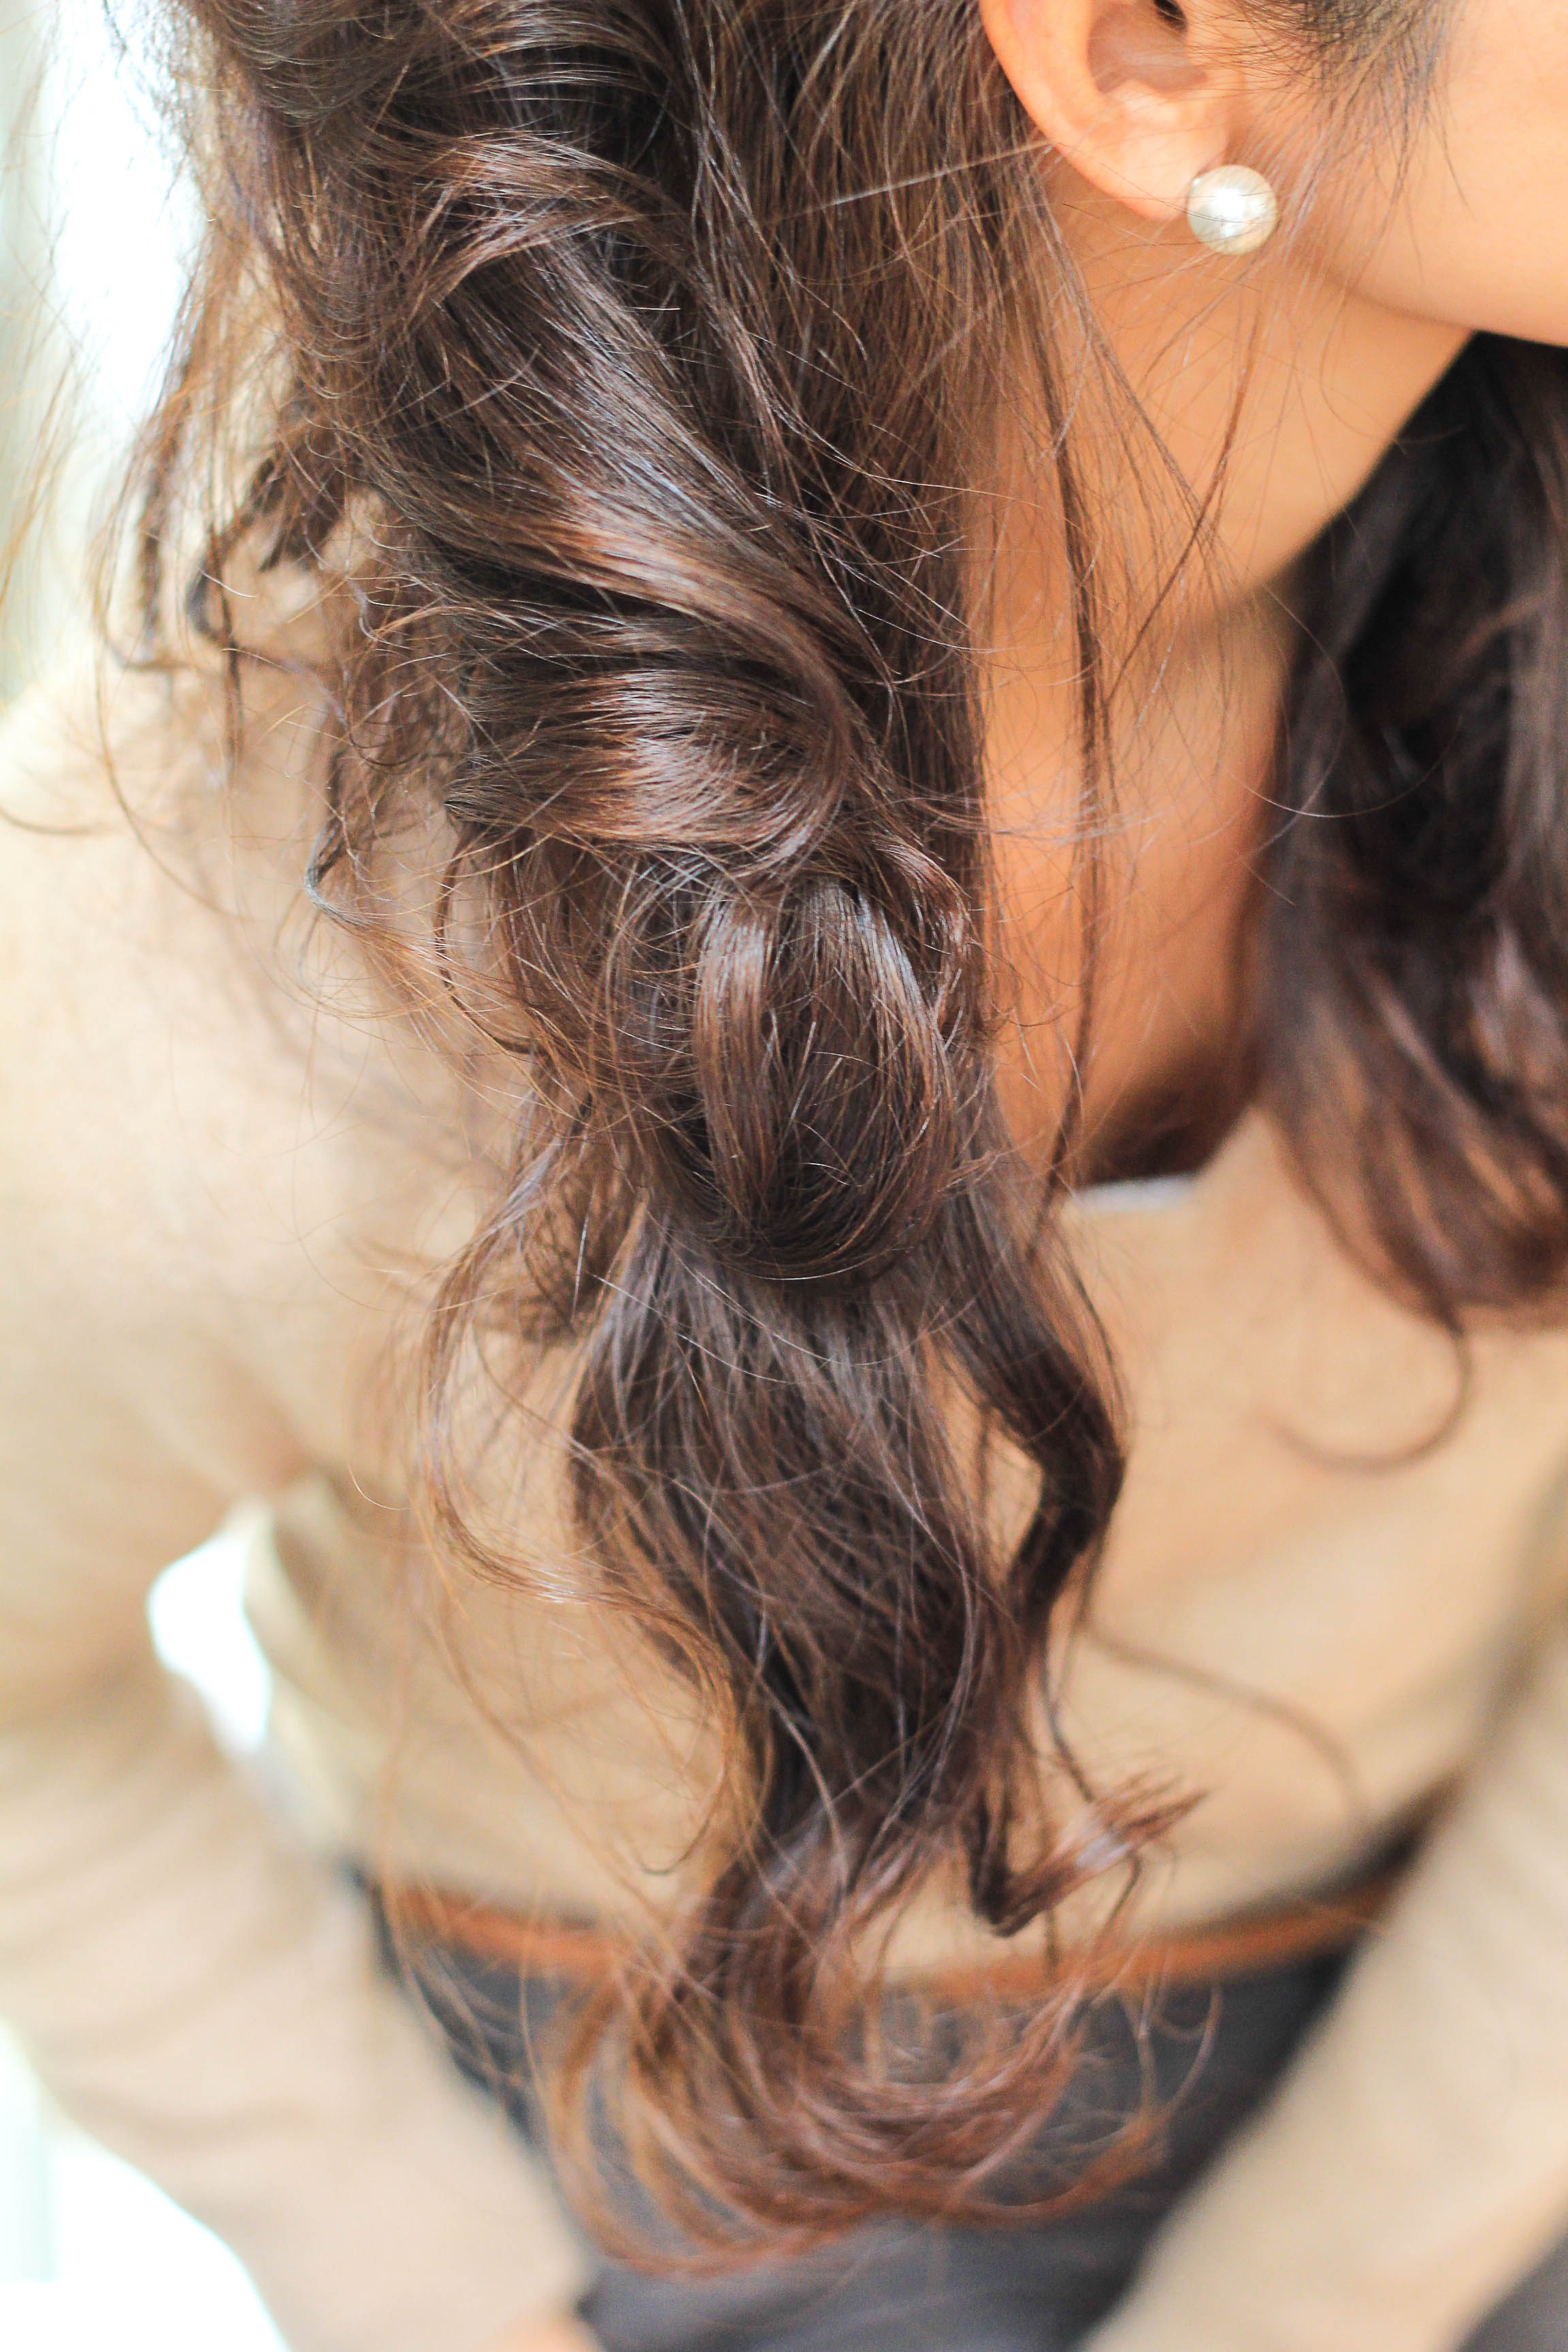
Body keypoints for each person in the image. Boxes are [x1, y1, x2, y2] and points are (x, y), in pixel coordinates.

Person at [7, 0, 1568, 2344]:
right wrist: (421, 2284)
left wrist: (1321, 2295)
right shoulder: (226, 934)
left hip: (1473, 2060)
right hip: (640, 2162)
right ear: (1146, 45)